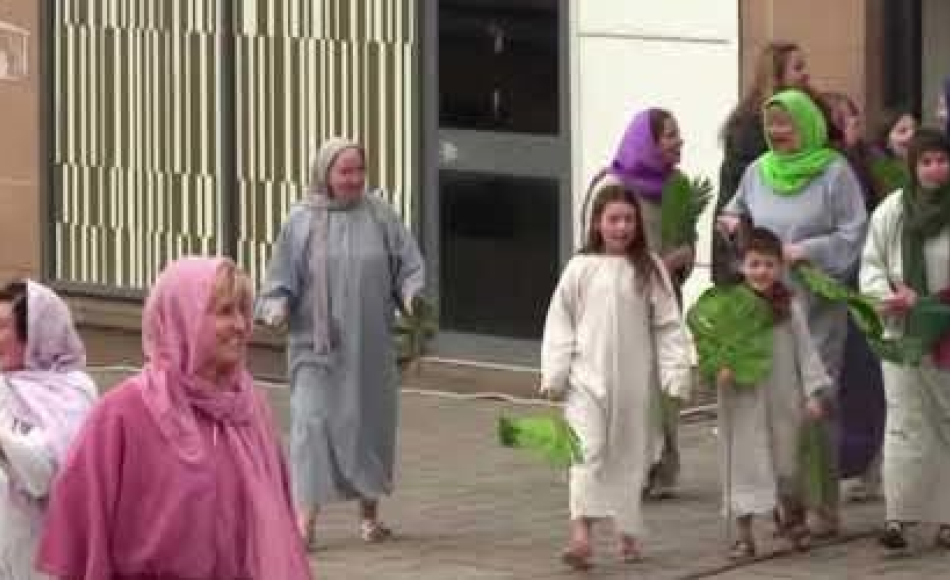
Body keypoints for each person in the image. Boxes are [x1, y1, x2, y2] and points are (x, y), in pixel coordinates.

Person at [37, 257, 312, 580]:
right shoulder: (123, 414)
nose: (240, 325)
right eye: (225, 311)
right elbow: (80, 521)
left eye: (243, 311)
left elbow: (279, 525)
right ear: (183, 318)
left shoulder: (249, 410)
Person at [257, 137, 425, 548]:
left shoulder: (381, 216)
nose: (353, 179)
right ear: (325, 174)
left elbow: (408, 266)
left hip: (369, 346)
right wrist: (276, 307)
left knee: (367, 423)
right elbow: (280, 279)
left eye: (359, 170)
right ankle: (304, 522)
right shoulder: (301, 221)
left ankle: (369, 517)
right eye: (344, 171)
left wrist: (412, 297)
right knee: (311, 425)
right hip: (315, 348)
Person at [719, 88, 868, 537]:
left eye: (786, 123)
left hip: (817, 302)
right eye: (772, 124)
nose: (778, 132)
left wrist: (807, 250)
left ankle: (822, 504)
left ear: (807, 124)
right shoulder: (757, 172)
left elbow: (855, 232)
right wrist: (732, 225)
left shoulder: (834, 172)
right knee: (779, 407)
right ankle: (790, 504)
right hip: (770, 304)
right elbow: (734, 212)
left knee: (816, 402)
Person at [541, 183, 691, 570]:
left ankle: (627, 528)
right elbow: (560, 321)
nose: (621, 227)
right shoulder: (579, 268)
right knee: (586, 452)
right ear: (597, 223)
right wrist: (555, 373)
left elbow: (668, 325)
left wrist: (676, 374)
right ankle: (581, 536)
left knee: (628, 454)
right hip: (586, 381)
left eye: (628, 220)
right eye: (614, 219)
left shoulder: (649, 268)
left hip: (634, 383)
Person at [584, 107, 693, 499]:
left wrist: (683, 259)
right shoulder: (611, 186)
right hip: (623, 305)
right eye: (669, 135)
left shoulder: (677, 187)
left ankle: (659, 468)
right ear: (647, 142)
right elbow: (595, 251)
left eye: (678, 134)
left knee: (663, 387)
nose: (679, 142)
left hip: (664, 302)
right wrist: (661, 263)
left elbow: (685, 242)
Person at [859, 128, 950, 553]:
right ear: (912, 166)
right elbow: (872, 262)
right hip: (900, 331)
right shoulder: (892, 210)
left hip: (944, 333)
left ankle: (946, 518)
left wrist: (928, 303)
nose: (935, 169)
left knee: (945, 421)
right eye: (926, 162)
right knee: (902, 421)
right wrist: (886, 297)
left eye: (942, 160)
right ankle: (898, 515)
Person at [714, 227, 829, 559]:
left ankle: (793, 519)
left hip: (783, 398)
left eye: (768, 264)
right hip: (743, 400)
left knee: (787, 462)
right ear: (742, 266)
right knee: (744, 465)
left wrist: (812, 394)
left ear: (780, 267)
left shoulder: (789, 307)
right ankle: (744, 535)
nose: (761, 271)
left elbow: (806, 351)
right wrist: (720, 367)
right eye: (754, 264)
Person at [0, 281, 97, 580]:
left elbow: (43, 475)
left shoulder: (73, 393)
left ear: (36, 333)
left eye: (2, 326)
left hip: (46, 563)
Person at [712, 41, 814, 284]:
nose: (806, 75)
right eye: (798, 68)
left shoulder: (810, 115)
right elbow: (740, 198)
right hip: (754, 250)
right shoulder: (749, 129)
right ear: (777, 76)